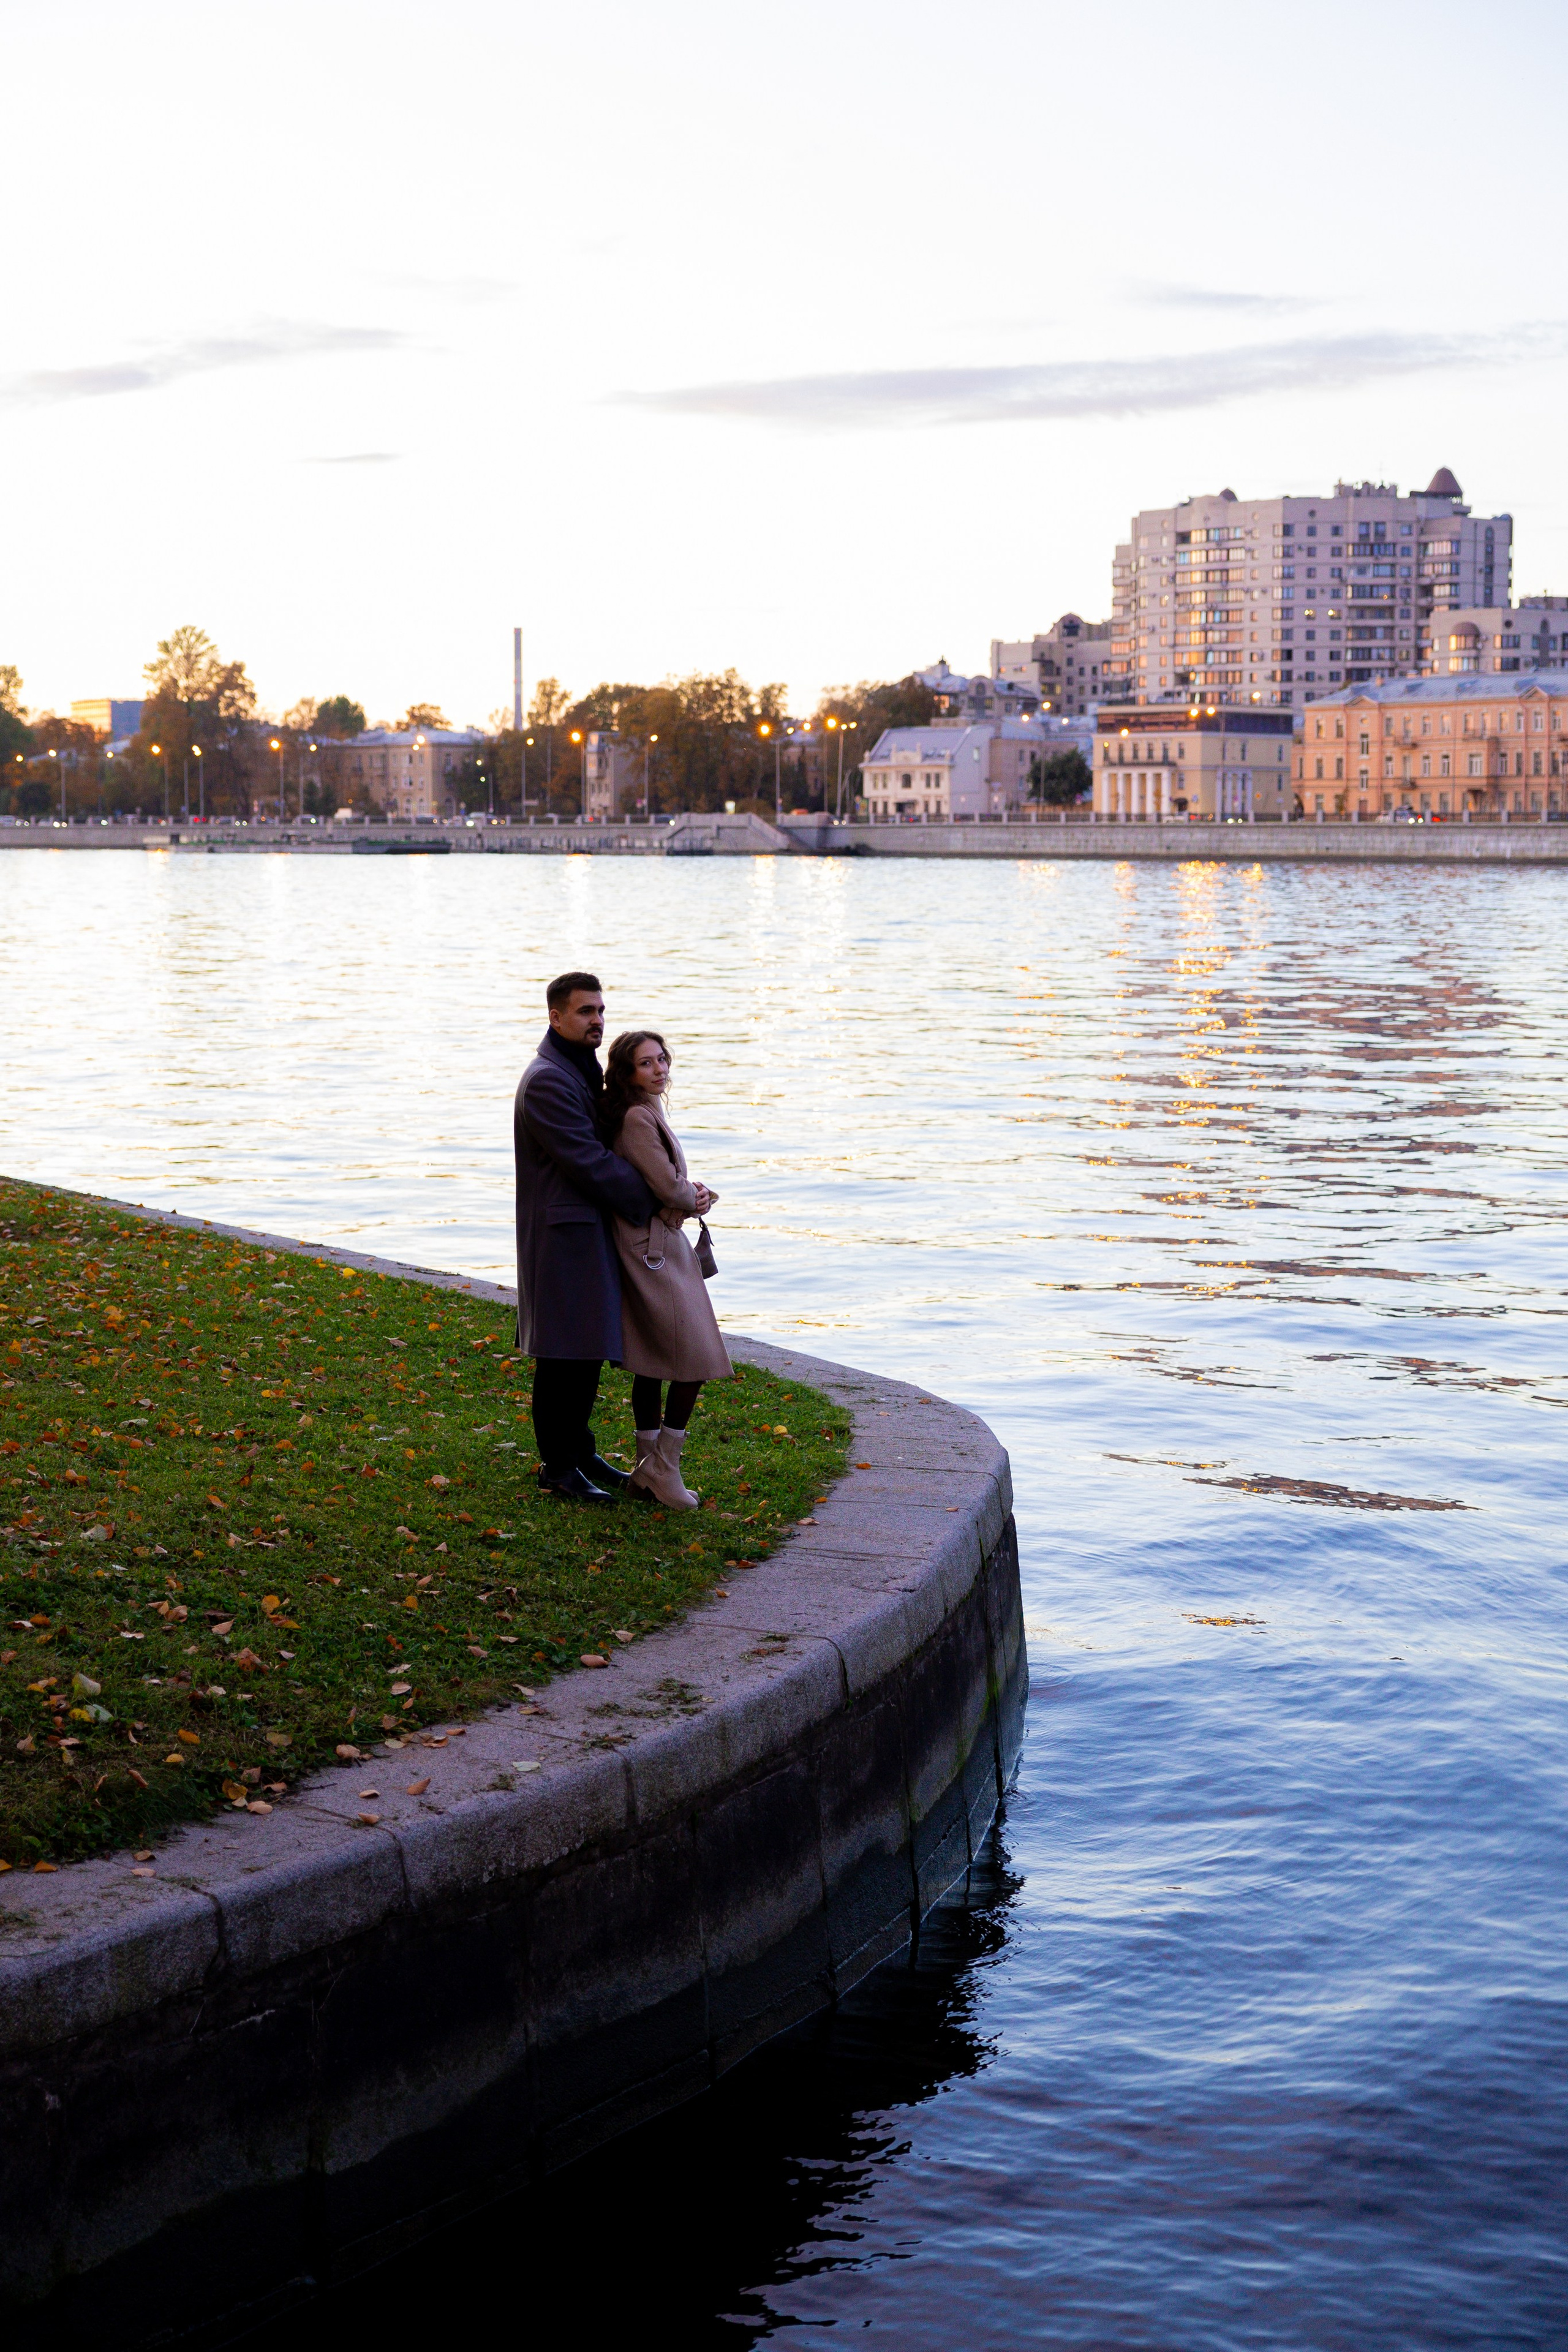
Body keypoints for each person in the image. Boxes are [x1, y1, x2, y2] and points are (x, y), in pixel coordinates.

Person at [514, 972, 660, 1502]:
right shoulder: (549, 1079)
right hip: (562, 1239)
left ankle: (578, 1452)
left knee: (584, 1352)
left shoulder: (577, 1067)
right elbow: (589, 1162)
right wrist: (654, 1196)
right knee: (563, 1356)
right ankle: (558, 1467)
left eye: (600, 1010)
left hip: (581, 1231)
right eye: (584, 1012)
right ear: (556, 1017)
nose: (597, 1020)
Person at [600, 1028, 732, 1509]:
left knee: (655, 1361)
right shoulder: (637, 1117)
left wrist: (685, 1193)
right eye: (646, 1063)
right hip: (652, 1250)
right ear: (627, 1072)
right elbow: (668, 1187)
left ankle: (647, 1468)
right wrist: (692, 1196)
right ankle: (662, 1466)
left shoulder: (644, 1109)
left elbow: (665, 1184)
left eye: (662, 1060)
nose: (659, 1070)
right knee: (692, 1359)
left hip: (654, 1244)